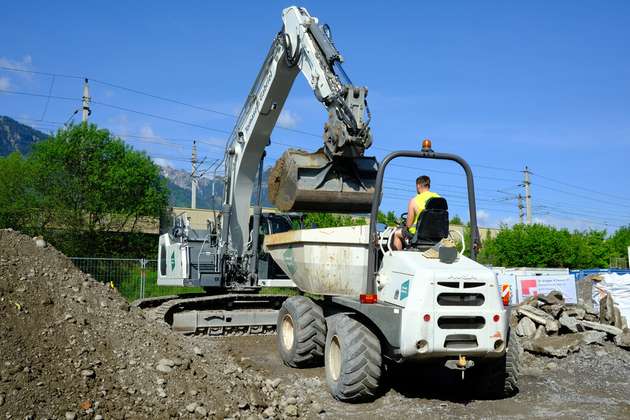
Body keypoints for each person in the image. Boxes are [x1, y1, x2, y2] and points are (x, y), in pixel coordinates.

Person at [392, 175, 440, 250]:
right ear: (428, 185)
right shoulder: (439, 198)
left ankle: (397, 257)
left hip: (419, 236)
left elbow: (408, 225)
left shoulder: (414, 200)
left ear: (418, 185)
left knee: (396, 234)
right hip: (437, 236)